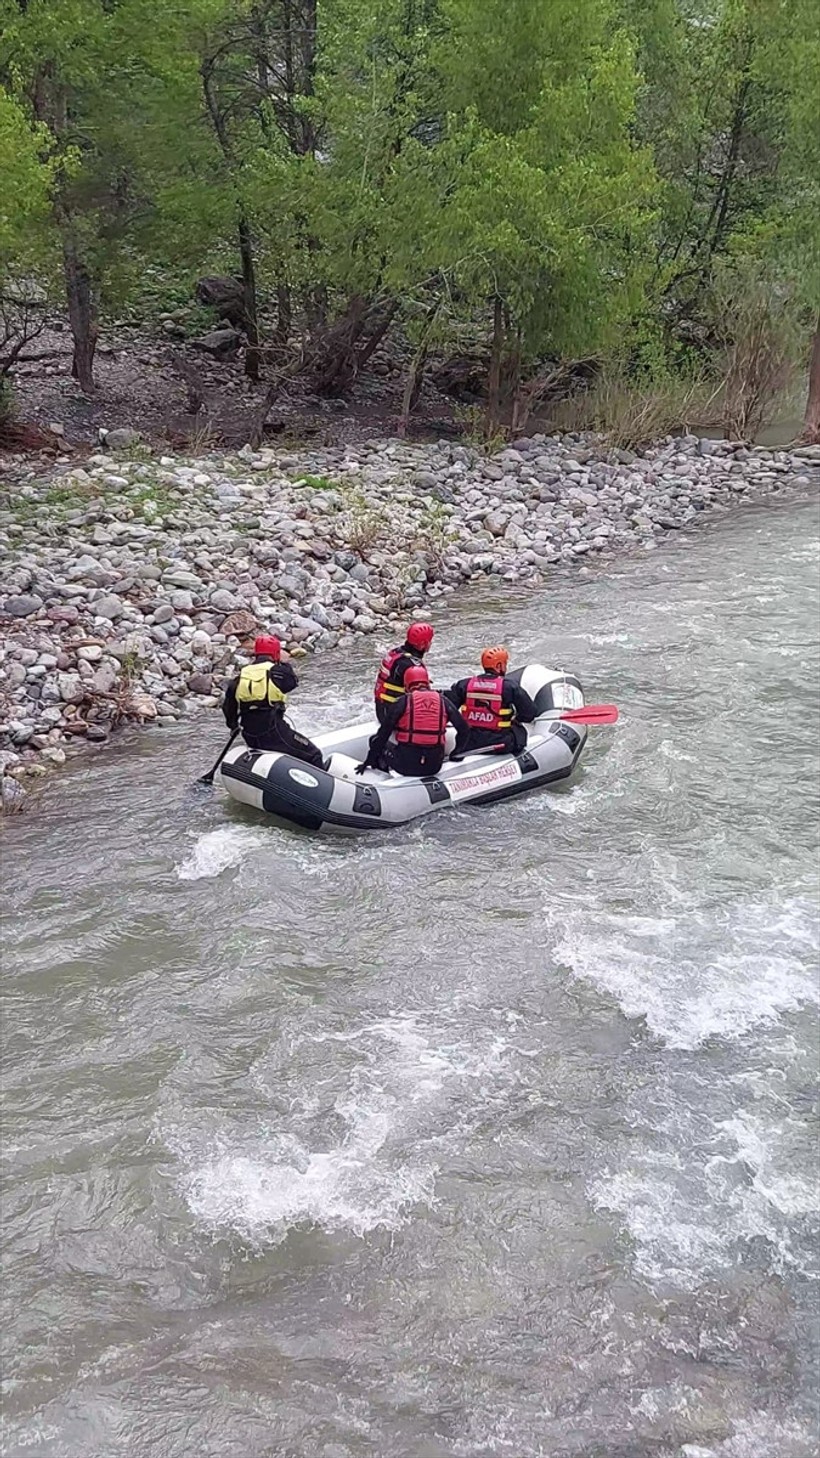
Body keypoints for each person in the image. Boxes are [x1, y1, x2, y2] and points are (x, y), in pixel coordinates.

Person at [222, 634, 325, 768]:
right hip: (274, 734)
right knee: (314, 754)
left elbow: (228, 707)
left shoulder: (241, 677)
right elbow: (292, 682)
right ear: (276, 653)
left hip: (250, 737)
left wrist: (233, 726)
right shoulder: (277, 672)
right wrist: (284, 662)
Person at [357, 664, 469, 778]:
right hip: (434, 766)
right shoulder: (444, 701)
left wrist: (369, 760)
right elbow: (464, 729)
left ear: (406, 685)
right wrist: (457, 753)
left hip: (406, 766)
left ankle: (382, 779)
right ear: (427, 683)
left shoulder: (402, 702)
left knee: (373, 740)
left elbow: (382, 735)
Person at [446, 646, 536, 757]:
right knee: (519, 732)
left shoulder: (463, 685)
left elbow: (447, 710)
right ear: (499, 666)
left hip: (469, 742)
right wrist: (515, 720)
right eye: (504, 664)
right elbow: (529, 713)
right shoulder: (509, 686)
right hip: (500, 743)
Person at [373, 622, 435, 724]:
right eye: (430, 641)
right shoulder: (413, 666)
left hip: (382, 709)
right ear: (423, 644)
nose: (431, 643)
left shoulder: (396, 653)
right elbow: (423, 700)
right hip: (393, 716)